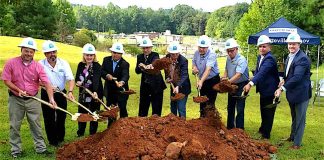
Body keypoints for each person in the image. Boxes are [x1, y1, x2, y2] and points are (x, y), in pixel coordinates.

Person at [1, 37, 56, 158]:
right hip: (16, 99)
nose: (28, 54)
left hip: (33, 99)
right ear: (21, 50)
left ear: (34, 53)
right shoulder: (11, 63)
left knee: (35, 124)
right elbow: (6, 80)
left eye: (31, 51)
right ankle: (16, 150)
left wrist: (51, 99)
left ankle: (41, 148)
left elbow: (46, 83)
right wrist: (18, 90)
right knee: (15, 125)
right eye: (26, 50)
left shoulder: (38, 66)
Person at [274, 33, 311, 149]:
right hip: (292, 93)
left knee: (300, 119)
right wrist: (283, 81)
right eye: (290, 44)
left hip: (301, 94)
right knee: (294, 116)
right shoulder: (290, 56)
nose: (291, 46)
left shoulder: (302, 58)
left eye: (294, 44)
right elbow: (289, 75)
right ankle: (292, 136)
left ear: (299, 44)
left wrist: (282, 89)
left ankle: (297, 144)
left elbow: (297, 77)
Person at [39, 40, 75, 146]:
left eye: (54, 52)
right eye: (49, 52)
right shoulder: (40, 64)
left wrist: (70, 91)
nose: (52, 54)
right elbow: (36, 80)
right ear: (45, 54)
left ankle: (60, 138)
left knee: (61, 116)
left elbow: (71, 79)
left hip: (61, 93)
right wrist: (47, 85)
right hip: (46, 94)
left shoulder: (63, 63)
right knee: (48, 117)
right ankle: (52, 141)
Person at [243, 35, 279, 139]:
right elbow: (258, 72)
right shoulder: (260, 57)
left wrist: (251, 84)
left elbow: (262, 73)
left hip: (271, 90)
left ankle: (266, 135)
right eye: (260, 46)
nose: (262, 48)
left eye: (264, 46)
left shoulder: (270, 59)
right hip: (263, 89)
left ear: (269, 47)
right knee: (263, 110)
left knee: (269, 112)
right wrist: (253, 78)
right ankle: (262, 129)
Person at [75, 43, 103, 136]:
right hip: (83, 93)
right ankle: (80, 132)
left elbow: (96, 79)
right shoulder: (80, 65)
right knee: (82, 113)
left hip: (95, 93)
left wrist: (94, 91)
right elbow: (77, 78)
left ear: (94, 55)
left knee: (94, 113)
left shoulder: (97, 66)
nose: (89, 57)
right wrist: (78, 82)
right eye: (87, 55)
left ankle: (92, 134)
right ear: (84, 55)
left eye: (91, 55)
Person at [135, 37, 167, 117]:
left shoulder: (155, 55)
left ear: (151, 48)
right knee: (143, 109)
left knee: (156, 110)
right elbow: (137, 71)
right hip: (145, 86)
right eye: (144, 48)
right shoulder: (140, 57)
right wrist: (140, 67)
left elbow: (154, 64)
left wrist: (146, 66)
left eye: (147, 48)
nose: (145, 50)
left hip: (156, 86)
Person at [223, 38, 249, 130]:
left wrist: (227, 83)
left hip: (242, 84)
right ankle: (230, 127)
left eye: (232, 51)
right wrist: (224, 78)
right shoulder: (228, 58)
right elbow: (226, 70)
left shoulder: (241, 59)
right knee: (230, 106)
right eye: (228, 51)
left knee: (240, 107)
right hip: (231, 84)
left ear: (236, 49)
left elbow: (238, 75)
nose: (230, 53)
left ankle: (239, 129)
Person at [102, 42, 130, 126]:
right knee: (110, 110)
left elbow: (126, 75)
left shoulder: (125, 64)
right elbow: (102, 71)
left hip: (121, 91)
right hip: (110, 90)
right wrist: (107, 75)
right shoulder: (106, 60)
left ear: (121, 54)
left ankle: (124, 127)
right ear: (111, 52)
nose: (115, 55)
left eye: (118, 53)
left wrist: (122, 82)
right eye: (114, 52)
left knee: (122, 109)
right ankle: (110, 128)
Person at [192, 35, 220, 117]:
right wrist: (194, 68)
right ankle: (202, 121)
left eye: (204, 47)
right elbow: (193, 63)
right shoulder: (196, 53)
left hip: (212, 80)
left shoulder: (212, 54)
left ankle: (211, 122)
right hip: (202, 80)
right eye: (200, 47)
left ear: (208, 47)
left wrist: (201, 81)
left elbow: (208, 69)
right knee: (202, 101)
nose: (201, 49)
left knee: (210, 102)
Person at [165, 42, 191, 118]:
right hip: (173, 87)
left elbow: (184, 75)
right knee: (173, 108)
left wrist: (178, 86)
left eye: (177, 54)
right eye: (173, 54)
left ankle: (182, 127)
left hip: (183, 88)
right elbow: (165, 69)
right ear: (169, 53)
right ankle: (174, 126)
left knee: (181, 108)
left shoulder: (183, 60)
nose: (175, 56)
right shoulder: (166, 58)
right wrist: (167, 77)